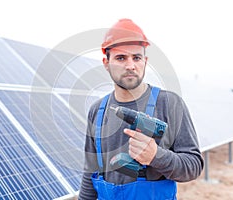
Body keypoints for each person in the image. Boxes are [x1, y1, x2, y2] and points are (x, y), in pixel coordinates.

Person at [78, 18, 204, 200]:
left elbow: (193, 167)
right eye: (121, 58)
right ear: (106, 63)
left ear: (145, 61)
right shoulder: (97, 111)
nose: (130, 65)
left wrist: (156, 156)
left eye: (136, 57)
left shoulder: (170, 104)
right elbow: (90, 172)